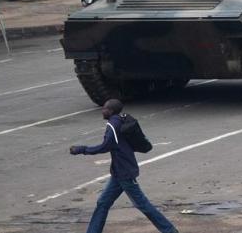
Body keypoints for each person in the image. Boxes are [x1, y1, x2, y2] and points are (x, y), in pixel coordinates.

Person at [70, 99, 179, 233]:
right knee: (103, 203)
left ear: (111, 111)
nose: (102, 110)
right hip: (118, 172)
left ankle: (169, 230)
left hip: (125, 173)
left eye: (104, 108)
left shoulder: (113, 125)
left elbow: (106, 146)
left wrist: (82, 149)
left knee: (143, 205)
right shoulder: (121, 120)